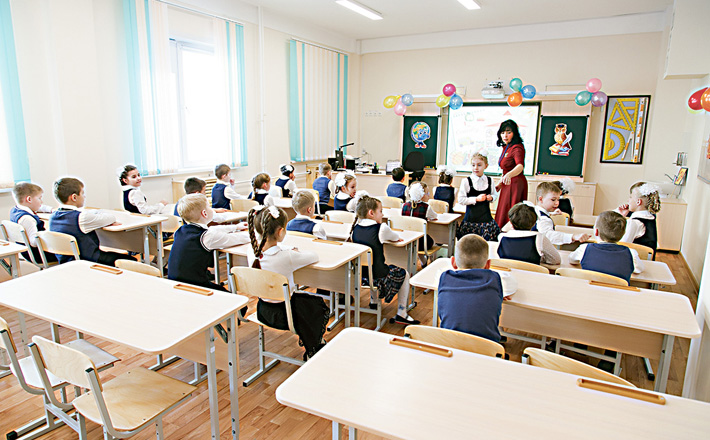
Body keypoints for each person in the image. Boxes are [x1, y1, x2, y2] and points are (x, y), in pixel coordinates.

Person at [246, 205, 330, 360]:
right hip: (286, 314)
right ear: (280, 232)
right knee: (317, 305)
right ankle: (314, 346)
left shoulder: (251, 251)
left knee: (306, 303)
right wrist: (292, 251)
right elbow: (314, 256)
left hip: (263, 310)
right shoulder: (286, 256)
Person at [350, 195, 420, 325]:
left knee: (370, 266)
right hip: (379, 277)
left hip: (361, 276)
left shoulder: (355, 229)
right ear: (371, 213)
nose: (382, 214)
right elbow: (395, 237)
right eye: (380, 211)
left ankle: (374, 301)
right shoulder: (381, 228)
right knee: (404, 273)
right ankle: (402, 313)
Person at [437, 234, 517, 343]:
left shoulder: (445, 277)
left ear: (453, 262)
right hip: (487, 347)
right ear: (488, 265)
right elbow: (511, 286)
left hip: (450, 344)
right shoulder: (494, 279)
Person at [168, 194, 250, 290]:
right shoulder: (207, 237)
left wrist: (236, 227)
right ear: (204, 213)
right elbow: (237, 238)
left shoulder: (180, 231)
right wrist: (255, 234)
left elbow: (212, 229)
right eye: (209, 207)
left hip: (175, 283)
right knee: (232, 297)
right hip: (194, 287)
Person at [49, 177, 134, 266]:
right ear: (74, 197)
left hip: (66, 263)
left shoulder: (52, 217)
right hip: (89, 261)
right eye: (82, 193)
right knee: (131, 260)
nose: (84, 196)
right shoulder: (82, 217)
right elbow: (111, 218)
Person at [569, 211, 643, 283]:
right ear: (623, 234)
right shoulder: (631, 253)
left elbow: (572, 260)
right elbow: (639, 270)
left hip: (589, 290)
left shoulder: (584, 249)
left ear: (596, 232)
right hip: (617, 291)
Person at [456, 152, 501, 241]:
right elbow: (461, 199)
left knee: (487, 243)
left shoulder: (489, 180)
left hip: (486, 220)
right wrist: (476, 199)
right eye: (473, 165)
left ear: (486, 166)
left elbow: (495, 194)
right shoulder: (466, 181)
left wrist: (491, 197)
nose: (476, 168)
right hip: (470, 220)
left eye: (479, 165)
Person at [9, 182, 57, 264]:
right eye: (39, 198)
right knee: (70, 249)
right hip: (39, 255)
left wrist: (51, 210)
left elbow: (40, 207)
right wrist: (49, 231)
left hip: (27, 252)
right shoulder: (27, 219)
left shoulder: (16, 210)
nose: (41, 201)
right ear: (29, 199)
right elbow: (34, 242)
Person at [494, 120, 528, 227]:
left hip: (515, 184)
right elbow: (506, 169)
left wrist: (509, 175)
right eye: (503, 132)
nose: (505, 135)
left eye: (509, 132)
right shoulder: (506, 147)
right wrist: (500, 183)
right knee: (503, 211)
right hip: (507, 183)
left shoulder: (517, 147)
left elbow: (520, 166)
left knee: (510, 212)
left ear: (514, 133)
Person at [616, 182, 661, 257]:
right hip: (648, 260)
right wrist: (624, 216)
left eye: (630, 197)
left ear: (638, 202)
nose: (628, 200)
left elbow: (621, 246)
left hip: (636, 261)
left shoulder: (635, 222)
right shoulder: (651, 217)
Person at [402, 182, 437, 265]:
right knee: (432, 240)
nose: (429, 195)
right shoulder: (426, 207)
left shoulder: (405, 205)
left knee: (416, 243)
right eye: (427, 193)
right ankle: (428, 262)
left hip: (407, 240)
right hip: (422, 243)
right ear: (422, 195)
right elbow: (434, 216)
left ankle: (423, 262)